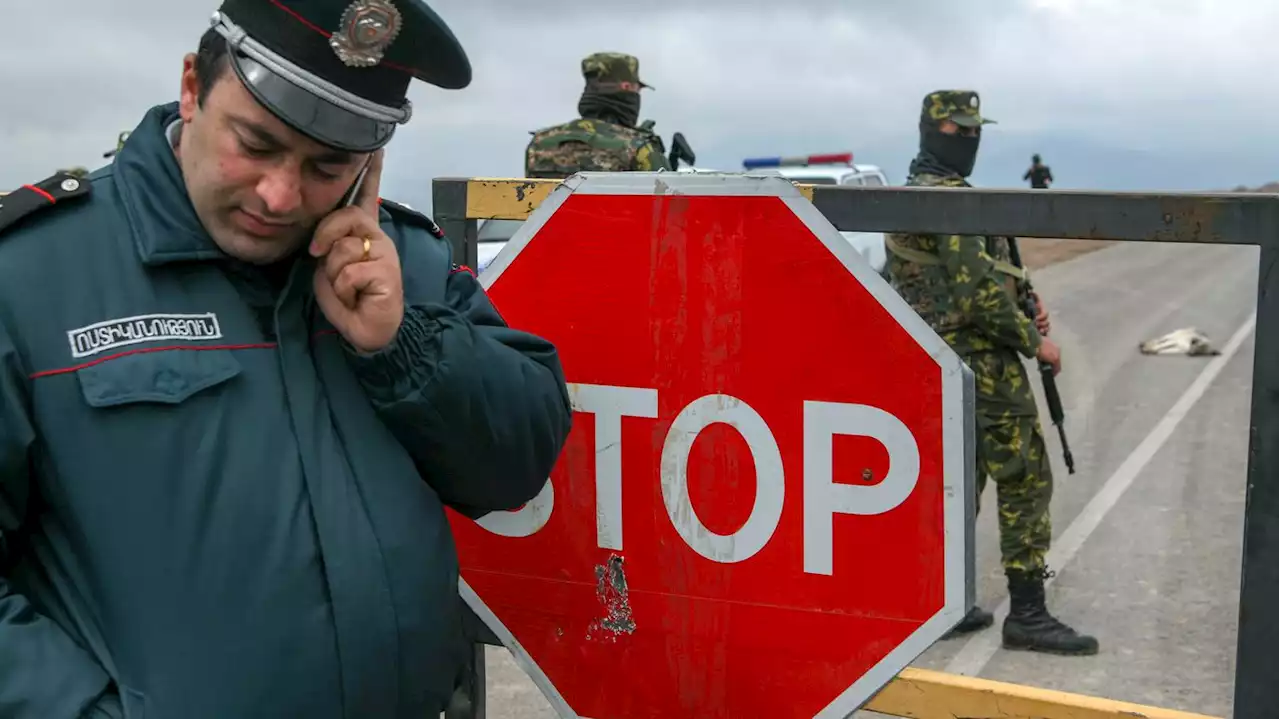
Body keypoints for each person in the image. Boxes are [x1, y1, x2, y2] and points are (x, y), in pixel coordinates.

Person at [0, 1, 573, 717]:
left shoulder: (405, 267)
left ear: (371, 164)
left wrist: (400, 346)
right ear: (191, 87)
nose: (279, 194)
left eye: (327, 166)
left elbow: (516, 463)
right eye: (256, 143)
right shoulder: (29, 276)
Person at [884, 90, 1098, 656]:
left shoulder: (916, 195)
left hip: (937, 363)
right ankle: (1027, 613)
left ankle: (942, 603)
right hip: (979, 362)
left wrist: (1026, 295)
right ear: (932, 130)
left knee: (960, 482)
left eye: (976, 131)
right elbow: (975, 295)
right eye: (959, 131)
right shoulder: (946, 202)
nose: (969, 141)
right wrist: (1035, 342)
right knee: (1025, 477)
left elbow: (973, 274)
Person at [524, 52, 671, 178]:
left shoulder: (539, 143)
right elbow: (668, 204)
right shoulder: (638, 147)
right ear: (626, 87)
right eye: (637, 89)